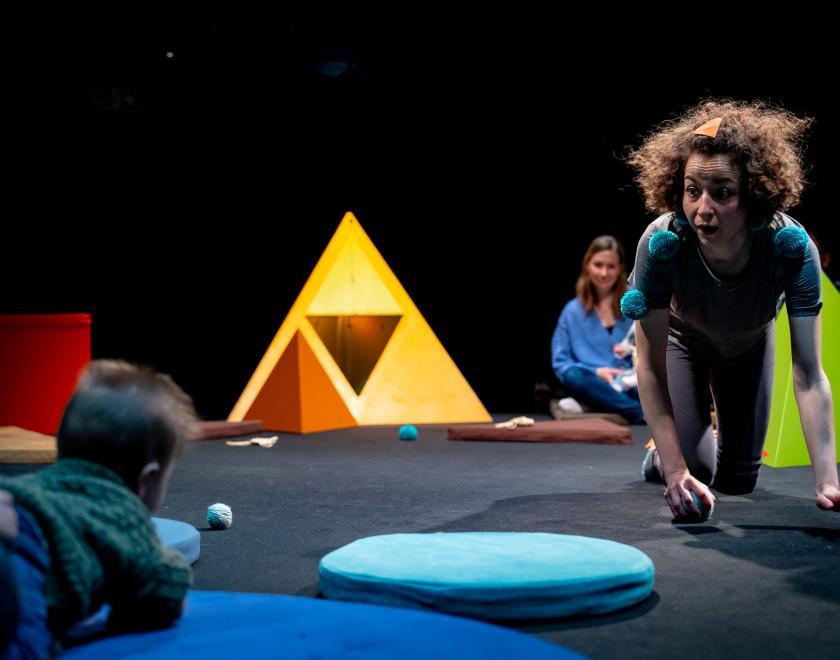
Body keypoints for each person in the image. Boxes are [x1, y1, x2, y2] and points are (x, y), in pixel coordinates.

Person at [624, 99, 840, 520]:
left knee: (738, 482)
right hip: (682, 343)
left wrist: (828, 479)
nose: (703, 209)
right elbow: (647, 366)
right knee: (697, 470)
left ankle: (700, 442)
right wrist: (674, 470)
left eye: (722, 193)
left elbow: (809, 374)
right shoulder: (661, 244)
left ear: (753, 196)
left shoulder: (790, 248)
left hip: (749, 347)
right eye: (692, 190)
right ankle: (657, 454)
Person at [0, 360, 199, 657]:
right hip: (20, 574)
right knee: (24, 643)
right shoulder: (123, 516)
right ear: (148, 478)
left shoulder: (33, 487)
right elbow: (165, 593)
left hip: (10, 511)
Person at [551, 235, 645, 424]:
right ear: (587, 265)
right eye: (598, 265)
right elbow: (561, 363)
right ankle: (637, 412)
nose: (604, 273)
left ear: (620, 269)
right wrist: (596, 372)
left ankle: (597, 405)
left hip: (632, 381)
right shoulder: (572, 311)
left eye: (611, 266)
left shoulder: (633, 302)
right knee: (573, 377)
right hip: (594, 381)